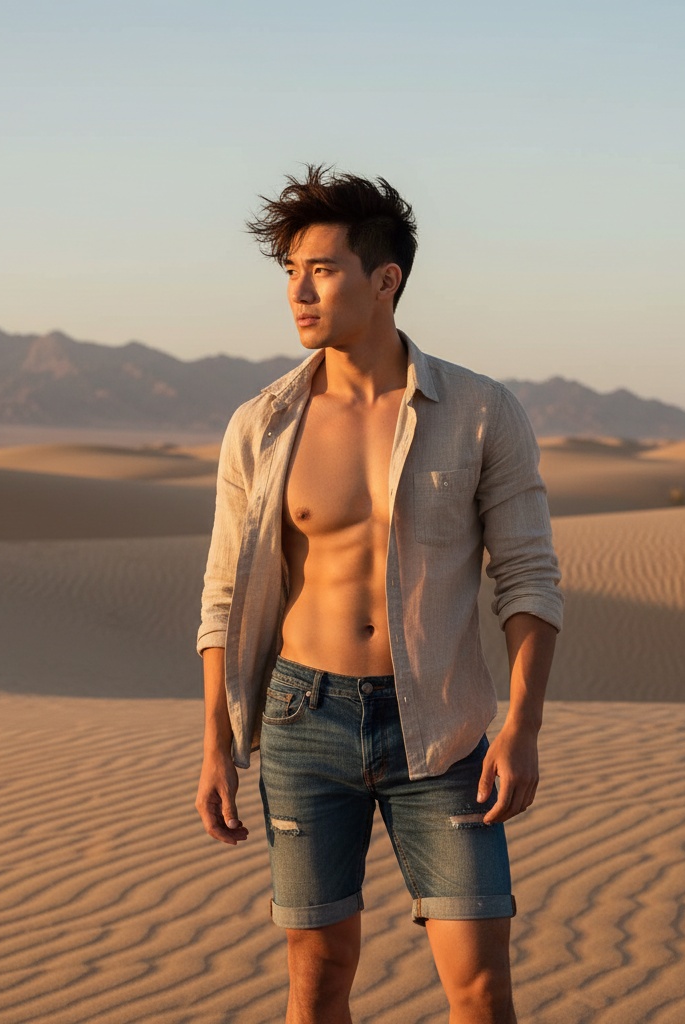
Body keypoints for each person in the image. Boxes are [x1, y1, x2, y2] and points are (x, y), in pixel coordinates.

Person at [195, 166, 563, 1024]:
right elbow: (221, 594)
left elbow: (530, 578)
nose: (298, 292)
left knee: (478, 986)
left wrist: (523, 724)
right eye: (290, 272)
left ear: (384, 279)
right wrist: (216, 740)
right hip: (302, 717)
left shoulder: (479, 411)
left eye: (321, 269)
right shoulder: (262, 423)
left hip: (442, 727)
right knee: (317, 980)